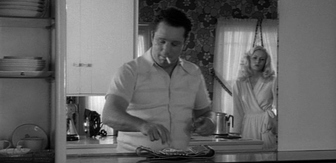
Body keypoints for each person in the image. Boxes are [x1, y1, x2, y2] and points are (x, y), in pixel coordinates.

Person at [102, 7, 215, 152]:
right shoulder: (130, 71)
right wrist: (142, 125)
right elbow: (109, 114)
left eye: (175, 44)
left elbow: (205, 112)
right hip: (135, 162)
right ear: (152, 36)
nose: (166, 50)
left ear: (184, 43)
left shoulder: (194, 72)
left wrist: (209, 121)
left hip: (179, 160)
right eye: (161, 41)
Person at [232, 45, 278, 150]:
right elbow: (237, 111)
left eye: (262, 59)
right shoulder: (239, 83)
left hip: (266, 123)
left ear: (266, 62)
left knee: (267, 158)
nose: (258, 61)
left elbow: (278, 104)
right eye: (255, 58)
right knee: (248, 159)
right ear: (248, 59)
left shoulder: (272, 81)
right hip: (248, 125)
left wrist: (274, 120)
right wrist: (235, 134)